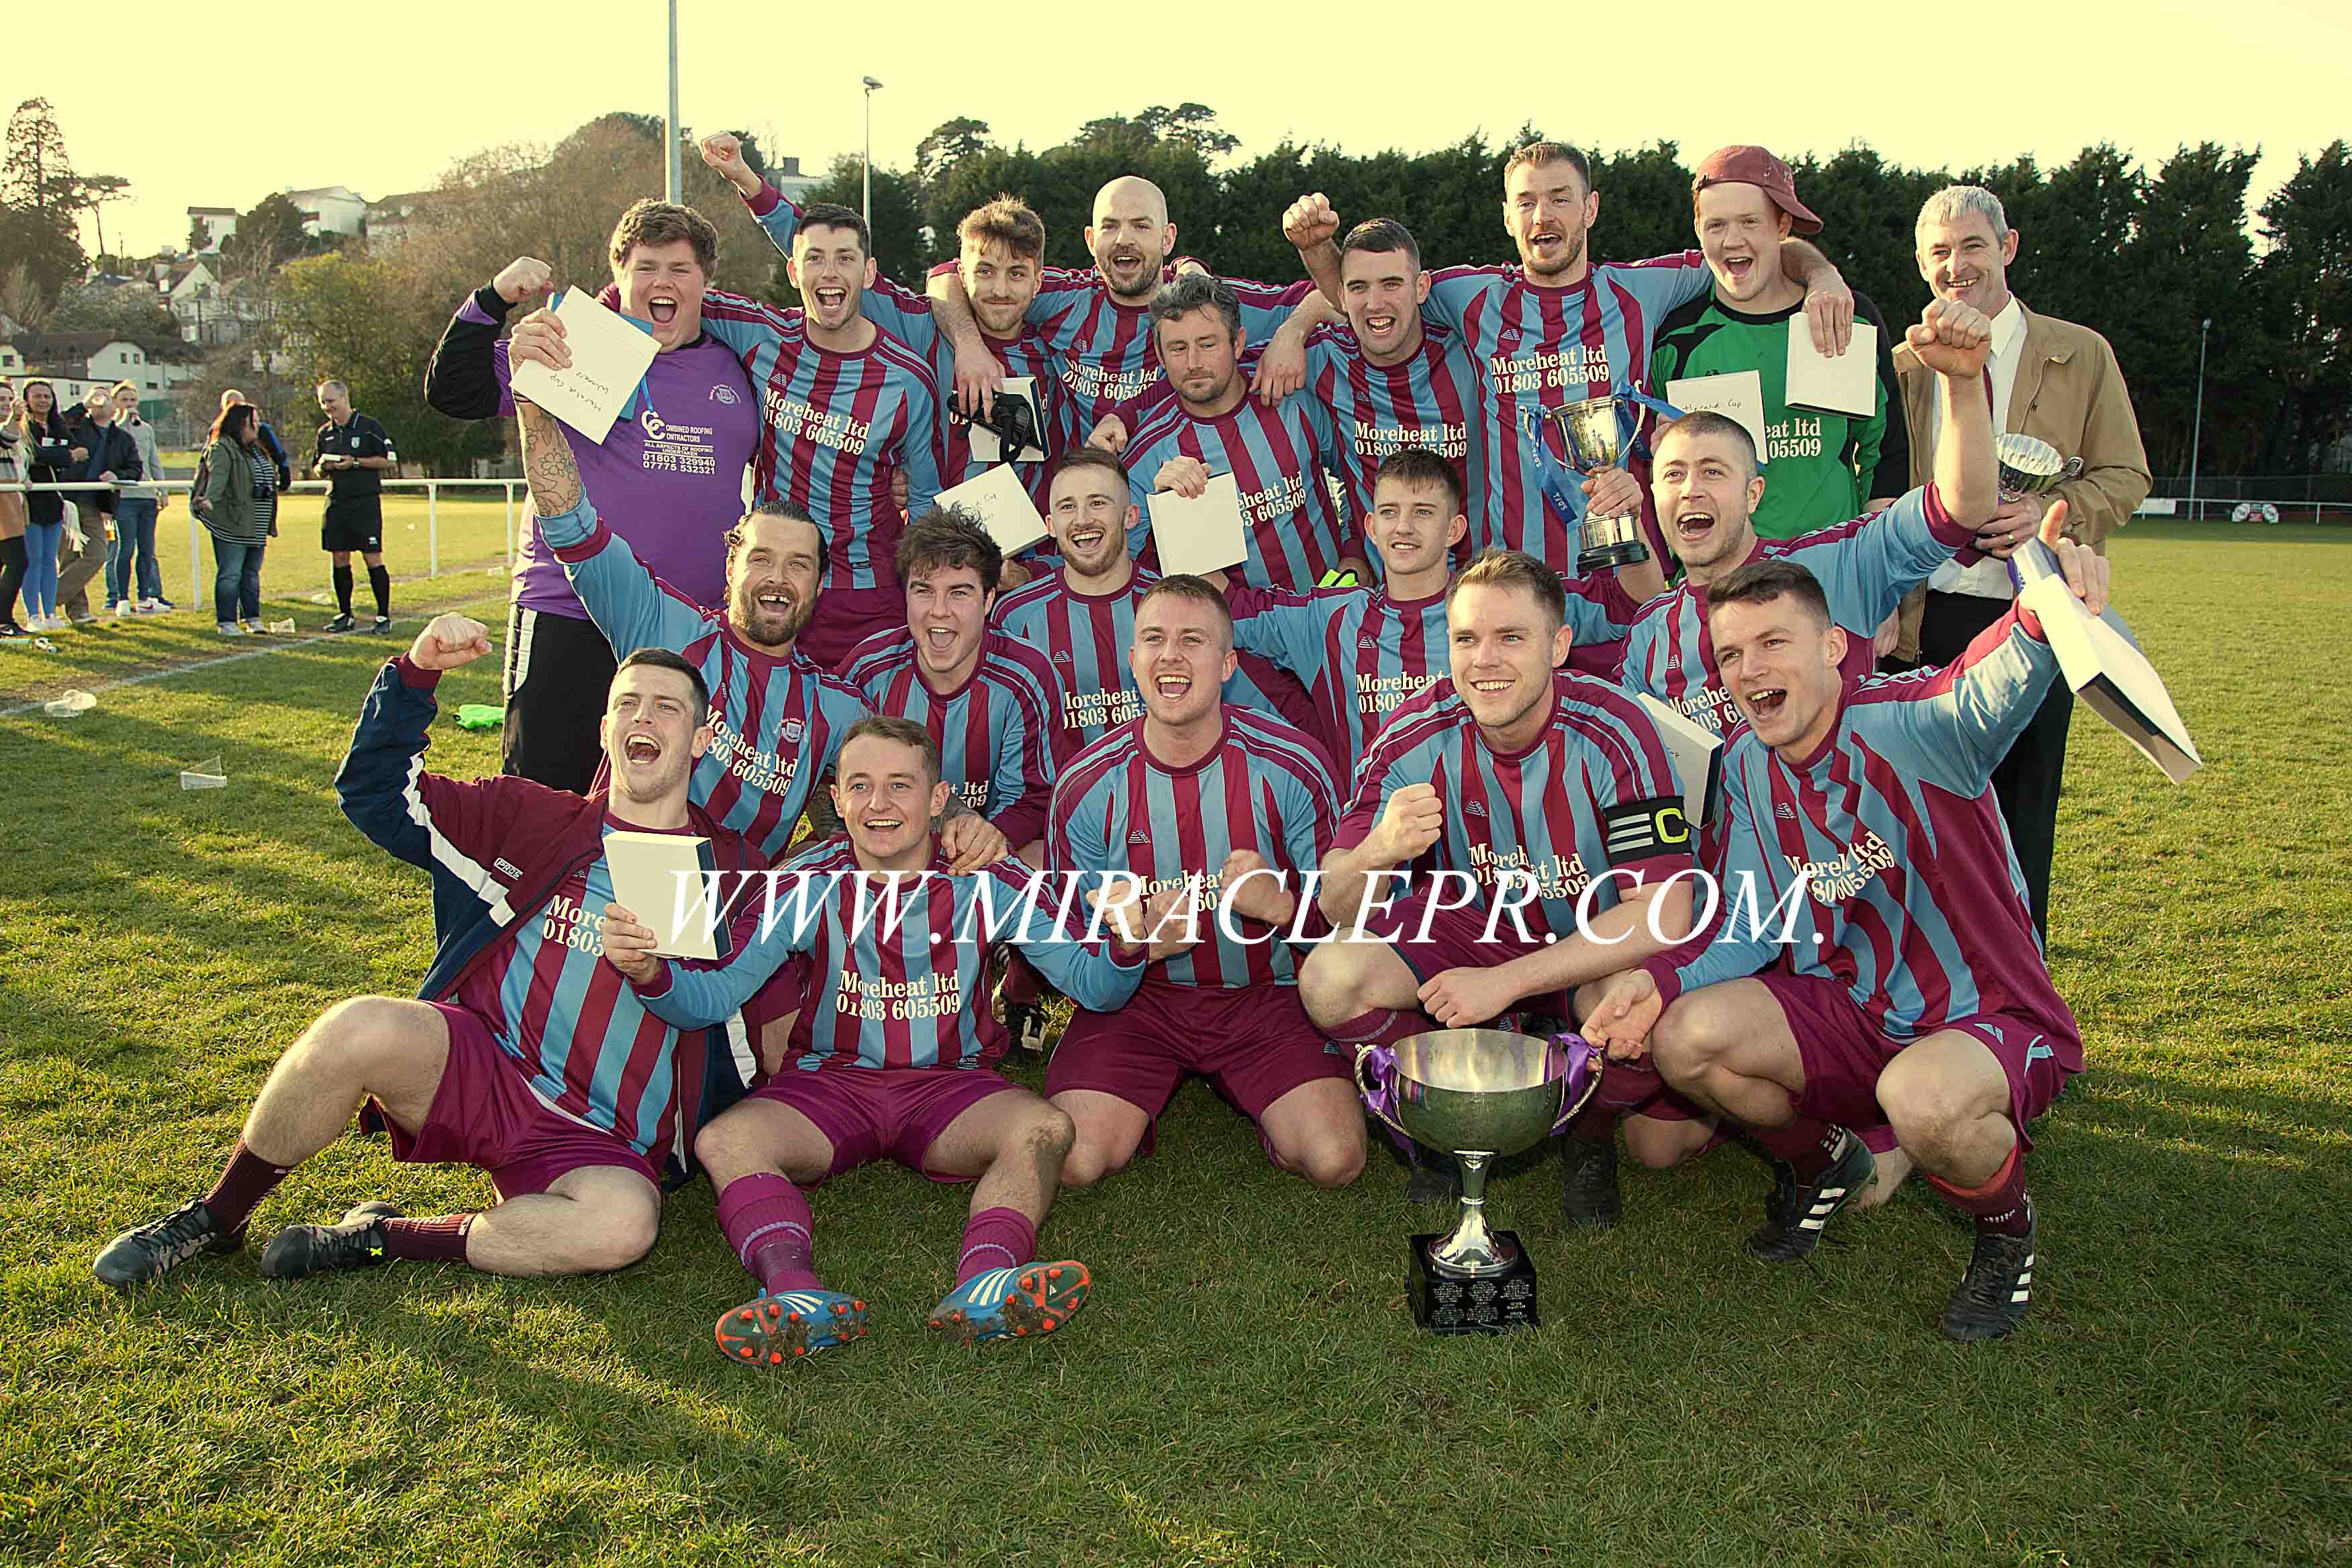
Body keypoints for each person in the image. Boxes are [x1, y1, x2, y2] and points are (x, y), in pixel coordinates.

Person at [93, 624, 762, 1289]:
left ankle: (382, 1236)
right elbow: (378, 796)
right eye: (627, 703)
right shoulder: (529, 817)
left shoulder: (729, 870)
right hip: (483, 1065)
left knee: (622, 1227)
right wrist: (414, 674)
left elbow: (749, 1018)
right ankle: (215, 1217)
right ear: (604, 729)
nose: (643, 716)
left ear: (702, 738)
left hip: (598, 1135)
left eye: (667, 707)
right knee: (357, 1026)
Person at [1582, 528, 2108, 1342]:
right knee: (1687, 1037)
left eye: (1772, 642)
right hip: (1855, 1008)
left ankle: (2007, 1234)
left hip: (1982, 1016)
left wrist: (2046, 601)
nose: (1749, 669)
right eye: (1730, 656)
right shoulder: (1750, 766)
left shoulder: (1917, 725)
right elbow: (1753, 923)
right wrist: (1660, 982)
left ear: (1835, 646)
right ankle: (1824, 1159)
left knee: (1923, 1100)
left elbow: (2002, 674)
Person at [597, 717, 1186, 1361]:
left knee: (1043, 1129)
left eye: (900, 786)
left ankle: (985, 1283)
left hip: (950, 1087)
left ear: (937, 801)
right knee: (725, 1138)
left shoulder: (989, 878)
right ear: (838, 800)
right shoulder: (804, 881)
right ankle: (795, 1295)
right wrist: (651, 972)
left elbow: (1094, 988)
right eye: (860, 787)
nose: (879, 805)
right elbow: (707, 997)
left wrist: (1130, 946)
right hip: (831, 1085)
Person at [1299, 550, 1696, 1210]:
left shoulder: (1619, 730)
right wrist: (1379, 848)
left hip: (1587, 935)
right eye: (1466, 638)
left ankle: (1588, 1134)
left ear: (1559, 645)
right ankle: (1442, 1122)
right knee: (1328, 979)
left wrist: (1506, 983)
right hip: (1474, 926)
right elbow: (1334, 901)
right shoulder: (1412, 735)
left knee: (1637, 1015)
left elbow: (1664, 913)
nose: (1484, 659)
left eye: (1511, 637)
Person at [1284, 143, 1855, 583]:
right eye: (1527, 202)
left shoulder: (1639, 290)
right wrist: (1296, 322)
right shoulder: (1472, 297)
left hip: (1624, 574)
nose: (1543, 216)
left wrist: (1824, 275)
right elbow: (1366, 296)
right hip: (1512, 578)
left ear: (1590, 209)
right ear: (1508, 217)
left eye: (1560, 198)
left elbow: (1744, 251)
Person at [516, 398, 1006, 874]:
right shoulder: (663, 626)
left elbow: (903, 772)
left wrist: (966, 824)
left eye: (799, 565)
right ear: (731, 567)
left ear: (817, 586)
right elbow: (569, 524)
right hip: (609, 885)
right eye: (762, 559)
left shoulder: (832, 707)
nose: (778, 579)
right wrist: (533, 408)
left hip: (728, 926)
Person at [425, 204, 762, 793]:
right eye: (648, 267)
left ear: (705, 282)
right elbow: (453, 389)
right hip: (567, 613)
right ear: (620, 275)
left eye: (680, 269)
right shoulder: (579, 344)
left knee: (660, 801)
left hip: (685, 625)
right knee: (546, 795)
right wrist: (495, 299)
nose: (663, 282)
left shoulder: (739, 366)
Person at [1043, 575, 1365, 1191]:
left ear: (1227, 664)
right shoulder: (1086, 785)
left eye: (1193, 640)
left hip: (1264, 998)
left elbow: (1347, 921)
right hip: (1142, 1005)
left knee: (1335, 1160)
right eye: (1154, 640)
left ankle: (1261, 1094)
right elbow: (1067, 940)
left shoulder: (1292, 765)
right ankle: (1134, 1103)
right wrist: (1132, 941)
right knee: (1077, 1162)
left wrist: (1281, 907)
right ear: (1132, 660)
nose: (1170, 655)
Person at [1892, 185, 2152, 942]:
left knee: (2022, 817)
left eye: (1972, 246)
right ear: (1921, 264)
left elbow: (2127, 476)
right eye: (1939, 252)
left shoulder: (2081, 354)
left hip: (2035, 618)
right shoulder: (1905, 364)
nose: (1956, 265)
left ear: (2007, 248)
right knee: (1922, 820)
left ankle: (2023, 1005)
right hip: (1921, 618)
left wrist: (2048, 511)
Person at [1614, 298, 2004, 738]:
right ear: (1655, 497)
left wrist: (1963, 382)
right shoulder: (1650, 635)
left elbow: (1960, 506)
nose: (1691, 490)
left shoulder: (1837, 566)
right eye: (1673, 475)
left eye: (1713, 471)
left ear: (1753, 494)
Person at [705, 138, 1068, 580]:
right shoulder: (921, 328)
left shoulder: (1049, 358)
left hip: (1010, 565)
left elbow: (1048, 475)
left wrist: (1028, 567)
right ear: (962, 274)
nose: (999, 289)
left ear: (1037, 282)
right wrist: (748, 182)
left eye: (1016, 275)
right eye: (984, 273)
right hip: (928, 554)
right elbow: (823, 254)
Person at [689, 203, 947, 668]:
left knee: (870, 736)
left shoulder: (908, 380)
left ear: (868, 273)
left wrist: (927, 596)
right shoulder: (761, 336)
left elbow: (927, 501)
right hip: (774, 586)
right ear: (793, 271)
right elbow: (664, 289)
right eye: (815, 258)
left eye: (845, 258)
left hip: (868, 599)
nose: (830, 273)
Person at [1651, 147, 1906, 542]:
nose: (1733, 241)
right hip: (1724, 586)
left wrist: (1881, 574)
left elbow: (1884, 455)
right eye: (1716, 225)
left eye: (1750, 222)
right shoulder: (1674, 337)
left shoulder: (1845, 317)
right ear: (1698, 229)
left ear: (1782, 226)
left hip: (1833, 573)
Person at [928, 173, 1312, 435]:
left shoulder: (1203, 301)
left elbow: (1329, 297)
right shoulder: (1060, 296)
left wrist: (1292, 334)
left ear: (1167, 239)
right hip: (1087, 516)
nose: (1124, 239)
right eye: (1110, 226)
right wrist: (968, 344)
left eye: (1141, 226)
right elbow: (947, 276)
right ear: (1092, 240)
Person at [840, 508, 1063, 862]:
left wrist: (987, 835)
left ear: (989, 600)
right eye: (924, 591)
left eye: (959, 593)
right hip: (887, 848)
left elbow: (1033, 797)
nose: (939, 611)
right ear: (906, 596)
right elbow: (835, 784)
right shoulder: (868, 672)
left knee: (1037, 857)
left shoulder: (1026, 675)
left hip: (977, 853)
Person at [310, 380, 397, 634]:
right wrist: (323, 468)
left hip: (365, 502)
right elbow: (316, 467)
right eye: (323, 402)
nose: (327, 407)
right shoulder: (324, 433)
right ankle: (345, 614)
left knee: (372, 557)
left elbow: (389, 461)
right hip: (337, 501)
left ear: (345, 398)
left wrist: (356, 463)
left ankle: (383, 616)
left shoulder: (370, 427)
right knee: (339, 556)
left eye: (331, 401)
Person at [56, 386, 140, 626]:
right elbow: (59, 422)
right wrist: (84, 404)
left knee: (97, 554)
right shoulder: (77, 427)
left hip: (96, 503)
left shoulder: (122, 438)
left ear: (115, 406)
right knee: (70, 557)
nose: (101, 401)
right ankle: (78, 611)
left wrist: (116, 474)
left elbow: (135, 468)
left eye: (106, 397)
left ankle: (51, 596)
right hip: (69, 499)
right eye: (97, 395)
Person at [199, 401, 277, 636]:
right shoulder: (222, 447)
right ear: (242, 423)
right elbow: (218, 478)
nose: (257, 426)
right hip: (232, 523)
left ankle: (252, 617)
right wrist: (209, 500)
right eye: (253, 421)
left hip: (257, 523)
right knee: (230, 573)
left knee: (251, 574)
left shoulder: (255, 448)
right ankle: (226, 621)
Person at [107, 381, 175, 615]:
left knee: (147, 549)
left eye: (133, 400)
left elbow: (154, 461)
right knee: (125, 549)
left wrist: (162, 490)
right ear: (116, 403)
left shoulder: (146, 429)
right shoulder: (113, 428)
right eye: (124, 400)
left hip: (147, 496)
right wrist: (124, 419)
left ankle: (145, 596)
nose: (130, 404)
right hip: (125, 497)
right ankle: (121, 598)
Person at [13, 381, 74, 632]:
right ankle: (33, 615)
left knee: (50, 560)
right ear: (27, 400)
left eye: (47, 396)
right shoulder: (23, 428)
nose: (43, 401)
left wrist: (65, 455)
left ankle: (50, 613)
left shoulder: (59, 426)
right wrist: (65, 455)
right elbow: (35, 456)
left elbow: (77, 452)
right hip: (30, 501)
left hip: (53, 500)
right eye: (37, 396)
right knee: (33, 559)